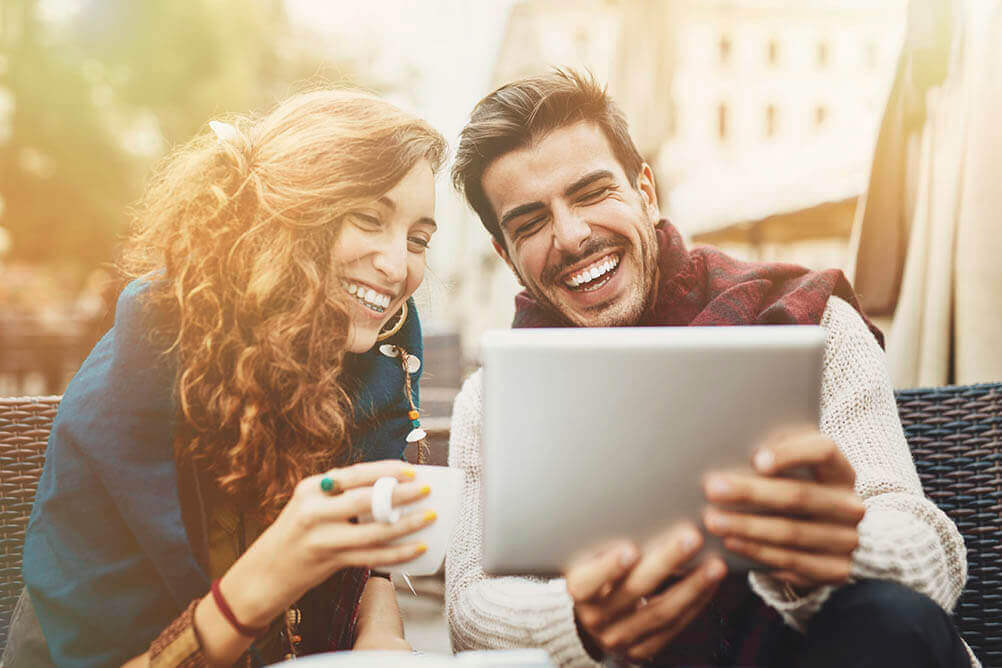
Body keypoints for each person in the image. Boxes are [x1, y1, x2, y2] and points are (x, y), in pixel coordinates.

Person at [445, 70, 975, 667]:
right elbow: (468, 607)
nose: (571, 236)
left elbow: (932, 555)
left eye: (592, 193)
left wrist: (841, 546)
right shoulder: (493, 398)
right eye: (530, 223)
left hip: (821, 651)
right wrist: (574, 622)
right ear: (507, 256)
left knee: (892, 619)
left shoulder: (811, 321)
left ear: (645, 190)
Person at [6, 89, 447, 667]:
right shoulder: (151, 362)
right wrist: (265, 582)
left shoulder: (371, 357)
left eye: (418, 239)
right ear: (287, 215)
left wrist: (381, 637)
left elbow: (368, 562)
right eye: (368, 219)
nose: (397, 265)